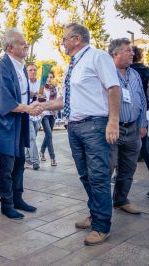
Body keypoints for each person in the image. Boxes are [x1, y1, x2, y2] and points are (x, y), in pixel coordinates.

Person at [38, 23, 121, 246]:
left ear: (76, 39)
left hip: (94, 126)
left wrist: (113, 121)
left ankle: (102, 226)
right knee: (85, 175)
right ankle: (95, 212)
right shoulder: (73, 65)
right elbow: (67, 100)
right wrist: (42, 106)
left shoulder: (98, 57)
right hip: (74, 127)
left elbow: (114, 88)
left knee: (98, 177)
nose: (62, 43)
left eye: (64, 39)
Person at [0, 28, 42, 220]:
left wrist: (31, 105)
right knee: (7, 166)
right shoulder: (1, 68)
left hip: (20, 121)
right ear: (11, 47)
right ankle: (7, 204)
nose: (26, 45)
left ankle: (18, 198)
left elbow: (23, 94)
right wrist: (28, 109)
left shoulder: (20, 66)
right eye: (21, 43)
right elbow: (3, 100)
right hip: (6, 124)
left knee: (20, 162)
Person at [108, 38, 147, 214]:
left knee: (128, 168)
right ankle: (98, 209)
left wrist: (142, 124)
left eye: (131, 50)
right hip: (113, 129)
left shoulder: (135, 74)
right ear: (115, 54)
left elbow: (142, 100)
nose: (132, 53)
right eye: (127, 50)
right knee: (107, 169)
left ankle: (121, 200)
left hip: (133, 129)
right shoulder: (106, 73)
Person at [130, 46, 149, 179]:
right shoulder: (146, 71)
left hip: (128, 113)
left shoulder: (127, 71)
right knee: (145, 146)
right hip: (144, 112)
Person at [40, 71, 58, 166]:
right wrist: (41, 111)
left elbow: (57, 100)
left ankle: (42, 152)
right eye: (48, 77)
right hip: (44, 114)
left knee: (48, 135)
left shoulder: (55, 89)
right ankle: (53, 158)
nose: (49, 79)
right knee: (49, 135)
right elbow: (38, 100)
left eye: (51, 77)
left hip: (53, 114)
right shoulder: (41, 89)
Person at [25, 64, 41, 170]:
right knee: (32, 138)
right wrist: (33, 94)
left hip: (38, 115)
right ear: (27, 72)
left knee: (31, 138)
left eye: (35, 70)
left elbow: (45, 97)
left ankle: (26, 156)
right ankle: (36, 161)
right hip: (27, 114)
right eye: (30, 70)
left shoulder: (41, 84)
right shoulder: (25, 84)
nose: (33, 72)